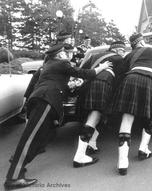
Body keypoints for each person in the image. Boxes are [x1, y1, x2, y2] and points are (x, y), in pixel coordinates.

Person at [4, 43, 112, 190]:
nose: (68, 55)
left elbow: (58, 84)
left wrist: (71, 86)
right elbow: (85, 73)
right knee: (31, 138)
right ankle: (13, 177)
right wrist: (102, 67)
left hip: (44, 99)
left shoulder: (50, 64)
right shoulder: (61, 63)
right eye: (65, 53)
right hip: (46, 100)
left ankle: (18, 164)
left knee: (42, 137)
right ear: (59, 54)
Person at [111, 33, 152, 175]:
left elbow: (119, 73)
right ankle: (143, 149)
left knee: (127, 118)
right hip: (151, 81)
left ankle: (122, 162)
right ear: (142, 42)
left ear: (133, 45)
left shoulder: (130, 55)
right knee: (151, 117)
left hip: (131, 79)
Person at [73, 41, 126, 167]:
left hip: (87, 86)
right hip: (102, 84)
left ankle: (91, 144)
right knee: (95, 116)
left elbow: (81, 71)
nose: (123, 53)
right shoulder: (119, 58)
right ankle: (79, 156)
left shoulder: (93, 56)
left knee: (97, 116)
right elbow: (123, 78)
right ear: (118, 50)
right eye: (123, 51)